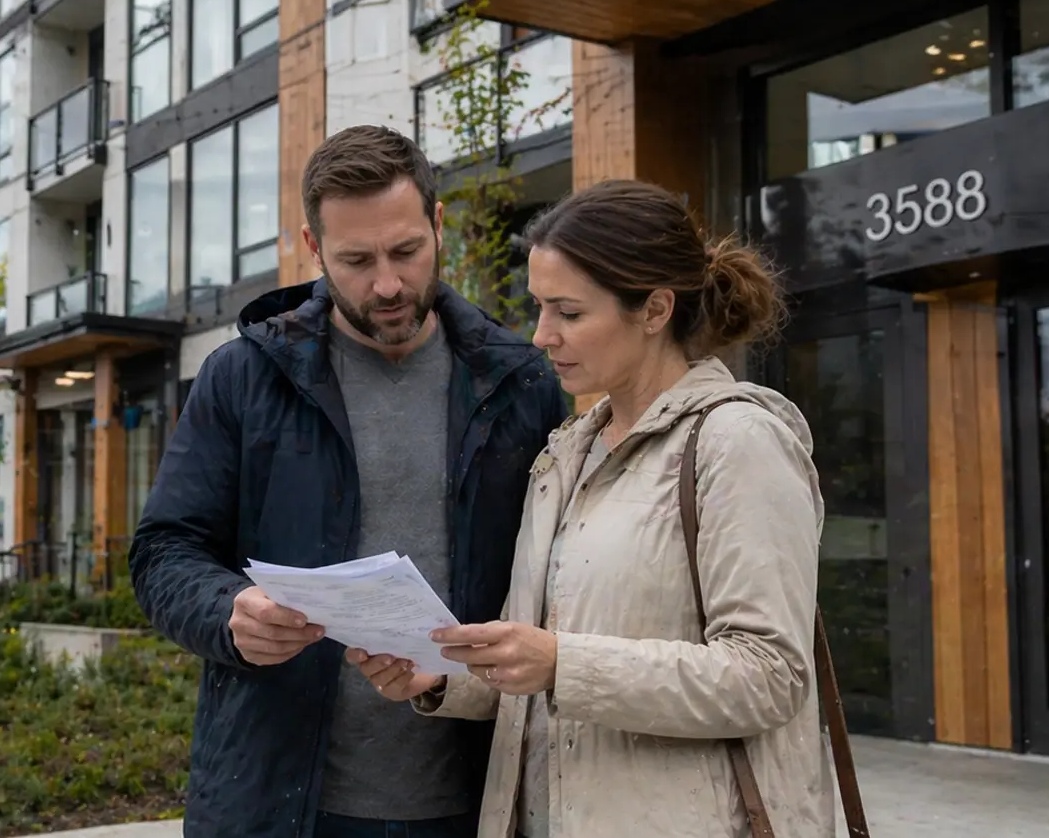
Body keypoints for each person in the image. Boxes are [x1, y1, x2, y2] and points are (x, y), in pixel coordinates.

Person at [349, 178, 835, 837]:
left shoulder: (738, 441)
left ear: (656, 309)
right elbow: (540, 661)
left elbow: (770, 676)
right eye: (539, 307)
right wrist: (441, 676)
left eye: (569, 313)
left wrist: (562, 662)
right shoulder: (565, 454)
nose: (542, 335)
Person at [130, 125, 567, 838]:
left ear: (438, 224)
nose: (387, 283)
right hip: (279, 802)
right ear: (312, 249)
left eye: (406, 251)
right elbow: (162, 551)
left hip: (477, 799)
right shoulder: (243, 378)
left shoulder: (521, 382)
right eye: (356, 260)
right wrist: (228, 610)